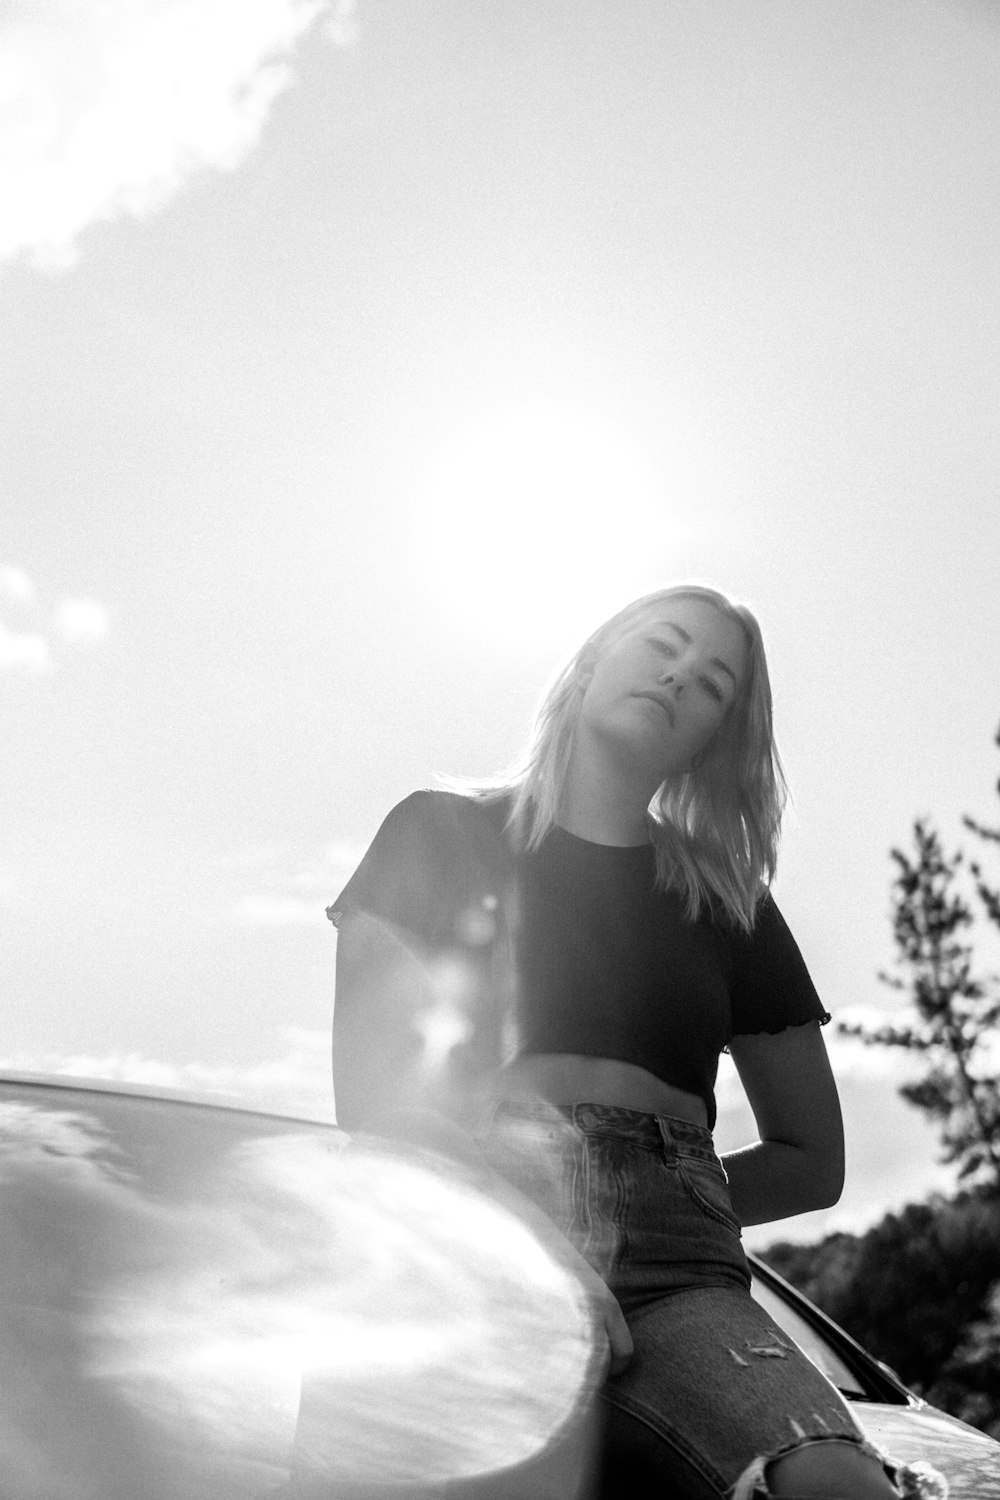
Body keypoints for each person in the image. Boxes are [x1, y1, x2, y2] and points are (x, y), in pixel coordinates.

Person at [328, 585, 926, 1499]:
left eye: (714, 681)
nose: (681, 673)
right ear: (593, 660)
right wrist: (537, 1251)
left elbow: (813, 1160)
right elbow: (376, 1101)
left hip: (678, 1269)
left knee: (834, 1483)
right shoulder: (437, 830)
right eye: (665, 645)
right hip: (465, 1225)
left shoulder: (728, 903)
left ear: (715, 739)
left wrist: (678, 1193)